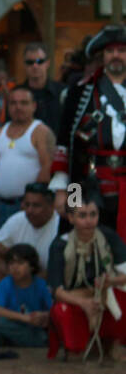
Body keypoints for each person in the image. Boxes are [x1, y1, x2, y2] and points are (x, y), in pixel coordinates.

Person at [50, 24, 126, 238]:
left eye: (121, 51)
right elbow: (64, 143)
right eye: (110, 52)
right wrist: (60, 191)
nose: (116, 56)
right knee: (76, 233)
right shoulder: (79, 92)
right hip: (81, 180)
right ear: (103, 57)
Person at [46, 195, 126, 360]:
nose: (89, 220)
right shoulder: (60, 245)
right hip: (75, 298)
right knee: (62, 309)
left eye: (93, 214)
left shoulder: (107, 237)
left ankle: (111, 343)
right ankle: (75, 347)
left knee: (121, 296)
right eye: (82, 215)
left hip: (102, 294)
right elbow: (56, 291)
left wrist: (111, 281)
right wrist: (84, 303)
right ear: (71, 218)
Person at [0, 85, 54, 236]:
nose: (18, 107)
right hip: (0, 205)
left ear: (34, 106)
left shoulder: (41, 132)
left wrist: (30, 202)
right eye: (13, 103)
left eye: (24, 103)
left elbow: (48, 168)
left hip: (30, 208)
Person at [0, 183, 59, 289]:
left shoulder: (61, 226)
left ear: (51, 206)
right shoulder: (19, 218)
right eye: (26, 205)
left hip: (48, 280)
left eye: (36, 205)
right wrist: (19, 259)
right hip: (22, 275)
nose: (29, 210)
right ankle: (6, 302)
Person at [0, 243, 52, 347]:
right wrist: (25, 318)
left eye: (20, 263)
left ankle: (14, 340)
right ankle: (32, 341)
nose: (15, 267)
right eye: (11, 263)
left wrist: (43, 316)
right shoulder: (5, 283)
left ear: (32, 266)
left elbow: (52, 309)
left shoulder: (41, 284)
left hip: (35, 326)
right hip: (15, 323)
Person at [21, 41, 62, 133]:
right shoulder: (16, 94)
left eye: (40, 61)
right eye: (30, 62)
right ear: (24, 65)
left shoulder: (62, 92)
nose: (35, 66)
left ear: (47, 63)